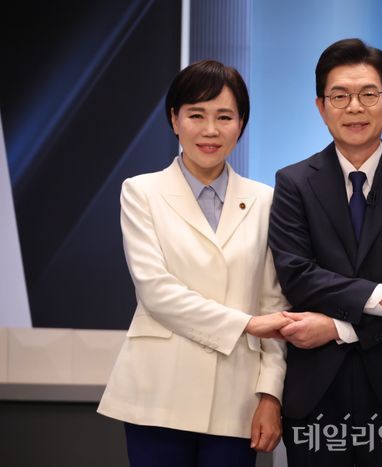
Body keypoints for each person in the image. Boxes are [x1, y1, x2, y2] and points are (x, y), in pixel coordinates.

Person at [97, 60, 291, 467]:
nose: (210, 130)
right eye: (196, 115)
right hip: (158, 392)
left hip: (237, 398)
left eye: (225, 117)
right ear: (174, 119)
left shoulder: (266, 200)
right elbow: (156, 291)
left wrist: (271, 395)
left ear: (241, 124)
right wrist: (246, 324)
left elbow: (273, 306)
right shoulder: (141, 192)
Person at [268, 38, 382, 467]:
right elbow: (297, 275)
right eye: (340, 96)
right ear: (320, 106)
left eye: (368, 94)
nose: (354, 108)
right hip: (315, 393)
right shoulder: (293, 183)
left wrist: (338, 327)